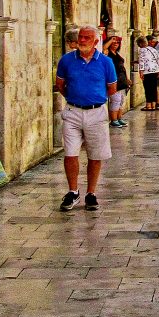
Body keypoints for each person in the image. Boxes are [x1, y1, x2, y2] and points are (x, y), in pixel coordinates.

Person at [56, 26, 117, 211]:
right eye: (80, 37)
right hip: (73, 111)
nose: (82, 40)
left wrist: (94, 98)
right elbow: (60, 85)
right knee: (70, 152)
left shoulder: (106, 62)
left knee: (95, 154)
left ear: (96, 41)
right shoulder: (66, 60)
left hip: (96, 112)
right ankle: (73, 191)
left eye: (87, 38)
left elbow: (112, 88)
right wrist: (76, 98)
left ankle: (91, 193)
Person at [104, 36, 130, 128]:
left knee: (121, 100)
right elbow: (103, 48)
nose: (115, 44)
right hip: (114, 80)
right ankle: (113, 120)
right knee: (115, 100)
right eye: (113, 43)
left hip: (122, 80)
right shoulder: (108, 54)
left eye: (117, 43)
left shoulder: (117, 54)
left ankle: (119, 118)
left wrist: (127, 78)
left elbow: (123, 68)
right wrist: (111, 39)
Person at [136, 36, 159, 111]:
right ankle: (153, 105)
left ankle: (148, 105)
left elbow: (141, 61)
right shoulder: (153, 49)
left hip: (147, 72)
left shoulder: (142, 50)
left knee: (147, 88)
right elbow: (158, 60)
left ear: (141, 44)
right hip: (155, 71)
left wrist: (141, 71)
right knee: (153, 88)